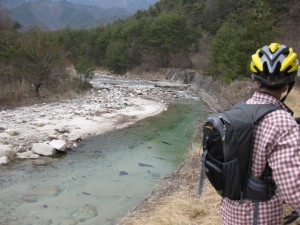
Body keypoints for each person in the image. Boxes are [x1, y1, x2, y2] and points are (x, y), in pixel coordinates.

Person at [220, 43, 300, 224]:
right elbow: (294, 188)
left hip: (230, 212)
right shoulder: (281, 122)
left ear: (255, 80)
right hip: (259, 216)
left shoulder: (240, 109)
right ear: (289, 83)